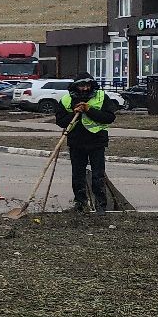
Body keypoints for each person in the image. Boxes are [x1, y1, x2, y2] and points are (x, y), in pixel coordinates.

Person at [54, 74, 118, 213]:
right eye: (82, 85)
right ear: (76, 86)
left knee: (98, 175)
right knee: (77, 175)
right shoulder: (66, 100)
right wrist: (74, 113)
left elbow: (109, 118)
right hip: (76, 142)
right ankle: (81, 204)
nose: (85, 88)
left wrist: (89, 110)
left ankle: (101, 206)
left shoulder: (101, 97)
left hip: (97, 141)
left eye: (88, 85)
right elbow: (60, 121)